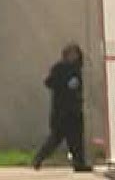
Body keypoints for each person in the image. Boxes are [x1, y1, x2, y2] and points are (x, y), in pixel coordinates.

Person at [32, 43, 89, 172]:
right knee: (55, 138)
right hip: (61, 111)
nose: (74, 56)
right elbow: (49, 82)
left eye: (76, 54)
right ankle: (38, 158)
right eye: (71, 54)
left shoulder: (77, 69)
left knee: (77, 140)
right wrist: (64, 84)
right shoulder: (59, 68)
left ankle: (79, 163)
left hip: (74, 110)